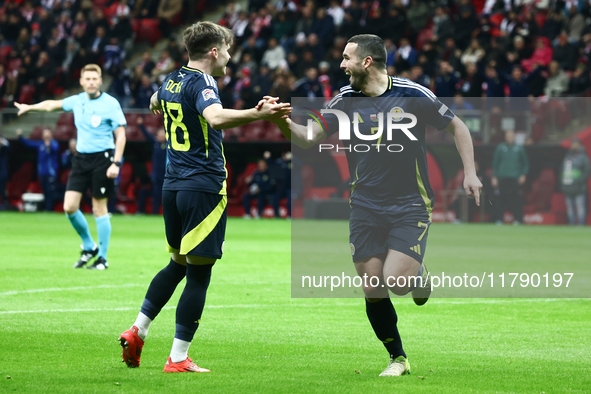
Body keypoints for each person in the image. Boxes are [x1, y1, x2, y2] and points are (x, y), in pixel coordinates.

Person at [265, 34, 481, 377]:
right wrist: (279, 120)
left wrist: (471, 173)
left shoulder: (413, 94)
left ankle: (418, 274)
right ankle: (398, 358)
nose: (341, 64)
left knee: (394, 280)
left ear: (367, 61)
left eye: (347, 58)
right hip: (364, 205)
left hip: (410, 203)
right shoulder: (344, 99)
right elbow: (308, 138)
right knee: (372, 284)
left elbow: (458, 126)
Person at [117, 21, 291, 373]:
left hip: (172, 186)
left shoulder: (170, 80)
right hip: (203, 187)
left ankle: (138, 329)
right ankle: (178, 358)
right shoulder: (204, 82)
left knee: (177, 264)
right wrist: (259, 114)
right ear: (214, 51)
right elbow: (215, 118)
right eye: (226, 49)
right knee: (199, 274)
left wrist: (162, 107)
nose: (229, 56)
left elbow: (154, 101)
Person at [15, 64, 127, 270]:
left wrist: (116, 163)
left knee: (99, 208)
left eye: (95, 79)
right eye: (88, 79)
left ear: (100, 81)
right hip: (81, 159)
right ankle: (89, 246)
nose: (91, 82)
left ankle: (102, 258)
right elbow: (51, 105)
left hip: (103, 159)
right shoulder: (77, 101)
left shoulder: (111, 104)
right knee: (69, 207)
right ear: (81, 81)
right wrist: (29, 107)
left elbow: (121, 136)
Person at [491, 130, 529, 224]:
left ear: (514, 136)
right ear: (505, 137)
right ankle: (499, 219)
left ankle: (518, 220)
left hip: (515, 178)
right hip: (503, 177)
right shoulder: (500, 148)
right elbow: (495, 163)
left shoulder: (519, 148)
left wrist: (523, 175)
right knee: (501, 199)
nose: (510, 138)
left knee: (516, 199)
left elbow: (526, 163)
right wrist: (494, 176)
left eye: (512, 136)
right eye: (508, 136)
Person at [17, 128, 59, 212]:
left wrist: (49, 144)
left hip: (51, 173)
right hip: (42, 172)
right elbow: (29, 143)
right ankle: (46, 207)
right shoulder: (40, 144)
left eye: (48, 134)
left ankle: (49, 209)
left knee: (50, 191)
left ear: (51, 135)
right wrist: (20, 137)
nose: (46, 135)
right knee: (44, 190)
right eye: (45, 134)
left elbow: (56, 149)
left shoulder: (54, 143)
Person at [137, 117, 166, 214]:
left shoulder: (169, 145)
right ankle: (155, 213)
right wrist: (141, 125)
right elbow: (147, 135)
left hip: (167, 175)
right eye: (160, 133)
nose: (161, 135)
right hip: (157, 175)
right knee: (156, 195)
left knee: (166, 196)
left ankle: (167, 214)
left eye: (163, 133)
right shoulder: (155, 144)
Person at [560, 138, 590, 225]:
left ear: (580, 146)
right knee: (570, 209)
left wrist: (579, 181)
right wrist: (563, 184)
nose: (575, 146)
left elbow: (587, 171)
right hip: (568, 187)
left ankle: (581, 225)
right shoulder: (567, 156)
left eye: (577, 145)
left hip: (579, 188)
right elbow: (562, 172)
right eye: (573, 144)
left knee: (580, 207)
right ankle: (571, 225)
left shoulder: (583, 157)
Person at [0, 134, 9, 210]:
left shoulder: (5, 147)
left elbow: (9, 148)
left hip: (2, 173)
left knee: (2, 190)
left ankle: (4, 204)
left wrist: (3, 142)